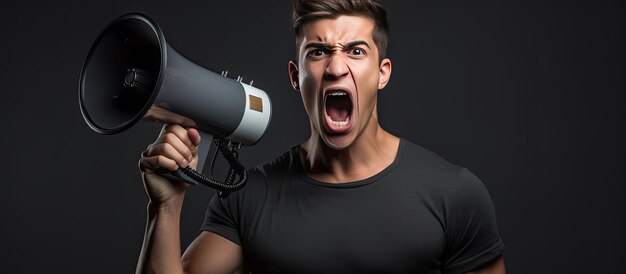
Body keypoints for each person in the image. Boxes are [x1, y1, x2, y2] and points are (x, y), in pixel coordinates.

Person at [135, 0, 506, 273]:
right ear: (296, 77)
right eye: (319, 52)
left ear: (382, 72)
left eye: (356, 51)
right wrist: (165, 207)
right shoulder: (249, 197)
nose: (336, 67)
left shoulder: (453, 194)